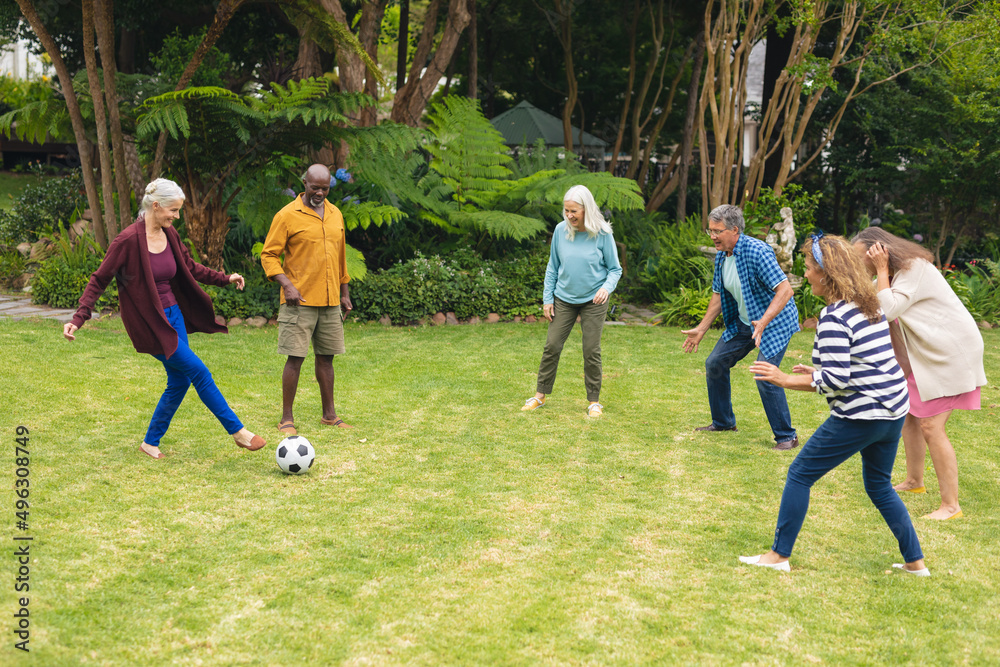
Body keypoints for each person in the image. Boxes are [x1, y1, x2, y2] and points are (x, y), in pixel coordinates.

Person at [742, 232, 928, 575]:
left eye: (810, 267)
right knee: (879, 486)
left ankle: (778, 556)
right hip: (894, 411)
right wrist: (819, 370)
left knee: (799, 474)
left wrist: (785, 379)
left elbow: (836, 380)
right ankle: (915, 563)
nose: (806, 274)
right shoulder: (868, 304)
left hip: (864, 414)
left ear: (828, 274)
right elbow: (862, 362)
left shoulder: (834, 317)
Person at [63, 178, 265, 459]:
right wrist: (79, 317)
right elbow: (99, 279)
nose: (177, 216)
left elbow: (189, 266)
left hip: (175, 317)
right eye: (173, 210)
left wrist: (224, 278)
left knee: (179, 381)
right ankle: (238, 432)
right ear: (156, 206)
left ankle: (150, 442)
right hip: (151, 323)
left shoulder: (170, 234)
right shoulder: (127, 241)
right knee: (199, 372)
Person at [852, 227, 986, 520]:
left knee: (930, 426)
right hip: (926, 355)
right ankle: (914, 481)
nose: (860, 262)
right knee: (909, 417)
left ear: (881, 252)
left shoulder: (914, 269)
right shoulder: (893, 276)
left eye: (863, 256)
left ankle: (951, 506)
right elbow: (867, 304)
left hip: (950, 354)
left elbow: (888, 309)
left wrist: (881, 269)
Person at [681, 205, 800, 450]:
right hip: (747, 322)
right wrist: (702, 328)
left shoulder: (757, 252)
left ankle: (787, 437)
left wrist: (764, 322)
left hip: (774, 323)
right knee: (715, 363)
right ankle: (723, 422)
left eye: (718, 231)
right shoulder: (722, 255)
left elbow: (785, 290)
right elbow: (718, 295)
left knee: (765, 375)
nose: (713, 236)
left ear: (735, 230)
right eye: (710, 230)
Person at [261, 164, 353, 434]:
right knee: (295, 358)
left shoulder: (336, 214)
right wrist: (286, 285)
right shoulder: (287, 215)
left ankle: (330, 415)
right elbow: (268, 255)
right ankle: (286, 419)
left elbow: (340, 257)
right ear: (304, 183)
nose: (320, 193)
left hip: (330, 300)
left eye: (325, 188)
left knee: (327, 358)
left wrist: (344, 293)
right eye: (315, 187)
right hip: (298, 300)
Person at [521, 185, 622, 417]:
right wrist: (548, 298)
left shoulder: (603, 233)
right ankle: (540, 395)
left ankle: (594, 401)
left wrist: (606, 288)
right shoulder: (560, 230)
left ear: (586, 209)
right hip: (564, 298)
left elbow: (615, 269)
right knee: (552, 345)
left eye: (574, 211)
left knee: (591, 350)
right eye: (566, 211)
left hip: (593, 301)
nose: (569, 216)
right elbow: (552, 267)